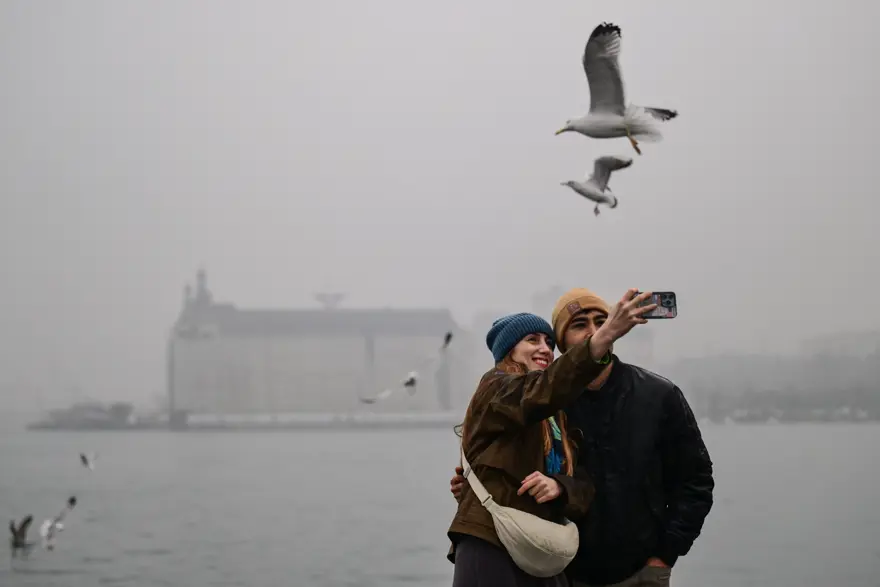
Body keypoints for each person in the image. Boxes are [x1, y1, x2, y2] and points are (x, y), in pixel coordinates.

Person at [450, 288, 715, 587]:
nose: (596, 331)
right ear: (566, 345)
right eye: (580, 325)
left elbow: (695, 480)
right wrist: (476, 487)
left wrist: (666, 554)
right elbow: (525, 418)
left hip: (639, 569)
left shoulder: (659, 395)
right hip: (560, 568)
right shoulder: (538, 400)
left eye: (603, 322)